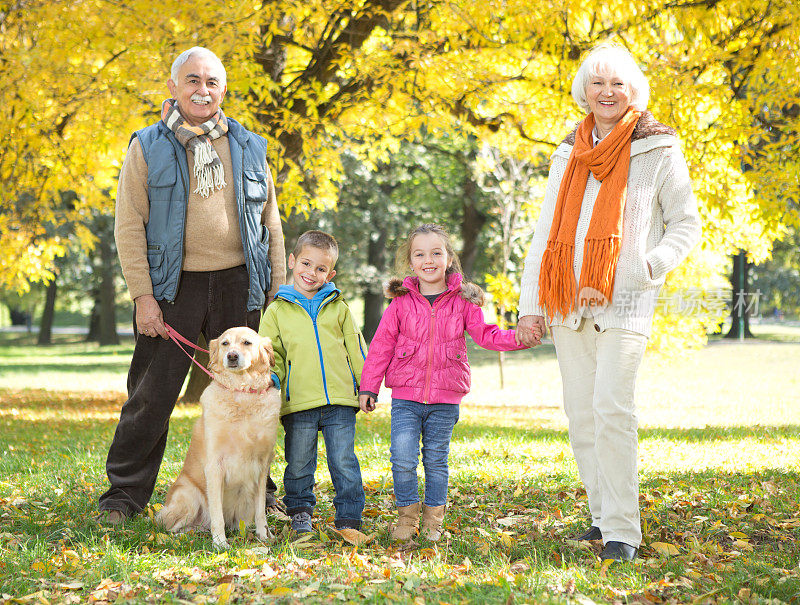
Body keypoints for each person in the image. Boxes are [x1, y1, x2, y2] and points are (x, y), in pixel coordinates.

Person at [516, 44, 702, 561]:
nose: (607, 92)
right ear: (584, 91)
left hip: (626, 303)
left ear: (633, 90)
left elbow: (686, 223)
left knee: (612, 410)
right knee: (582, 416)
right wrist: (531, 303)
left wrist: (649, 266)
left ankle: (623, 532)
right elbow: (543, 235)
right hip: (566, 303)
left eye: (617, 83)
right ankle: (601, 520)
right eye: (598, 83)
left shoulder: (659, 148)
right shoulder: (566, 152)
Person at [98, 47, 286, 525]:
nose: (203, 90)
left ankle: (259, 494)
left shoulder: (249, 146)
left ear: (224, 90)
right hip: (171, 287)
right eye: (193, 80)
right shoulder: (146, 146)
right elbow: (128, 226)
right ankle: (123, 496)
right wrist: (144, 296)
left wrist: (279, 289)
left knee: (252, 391)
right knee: (151, 395)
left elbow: (272, 225)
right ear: (174, 86)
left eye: (212, 82)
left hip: (239, 282)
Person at [358, 224, 536, 542]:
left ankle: (432, 521)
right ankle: (407, 518)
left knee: (436, 458)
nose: (429, 260)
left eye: (436, 253)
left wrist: (520, 339)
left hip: (445, 397)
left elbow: (487, 335)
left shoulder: (463, 301)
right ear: (411, 262)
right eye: (420, 254)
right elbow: (380, 346)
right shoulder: (400, 304)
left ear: (448, 258)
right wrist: (369, 387)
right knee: (401, 457)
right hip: (406, 397)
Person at [259, 230, 368, 533]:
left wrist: (366, 385)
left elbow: (356, 348)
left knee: (344, 461)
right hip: (299, 402)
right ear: (292, 261)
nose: (311, 273)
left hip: (340, 401)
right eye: (306, 264)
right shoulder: (277, 311)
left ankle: (349, 518)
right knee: (298, 463)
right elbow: (270, 353)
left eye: (321, 269)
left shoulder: (339, 306)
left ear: (330, 273)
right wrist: (272, 379)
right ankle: (300, 514)